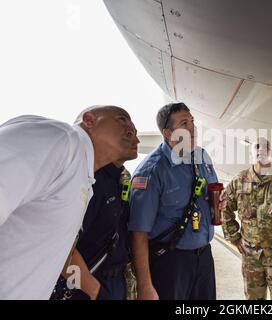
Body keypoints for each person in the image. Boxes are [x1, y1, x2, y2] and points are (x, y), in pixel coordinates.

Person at [0, 105, 137, 299]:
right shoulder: (62, 140)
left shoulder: (84, 177)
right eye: (122, 119)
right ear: (89, 120)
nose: (131, 128)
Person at [129, 102, 223, 300]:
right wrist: (144, 285)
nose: (192, 128)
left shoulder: (201, 157)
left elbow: (210, 193)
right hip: (170, 262)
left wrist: (217, 203)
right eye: (183, 123)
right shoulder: (152, 172)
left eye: (192, 121)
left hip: (204, 256)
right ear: (168, 133)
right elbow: (138, 233)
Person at [56, 126, 139, 300]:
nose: (137, 141)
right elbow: (62, 250)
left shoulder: (122, 177)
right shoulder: (89, 181)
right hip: (86, 284)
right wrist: (94, 291)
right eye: (128, 133)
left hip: (115, 282)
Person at [222, 137, 272, 300]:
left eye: (266, 146)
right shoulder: (240, 180)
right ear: (251, 153)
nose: (261, 150)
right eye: (257, 147)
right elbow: (225, 208)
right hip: (251, 255)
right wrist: (234, 237)